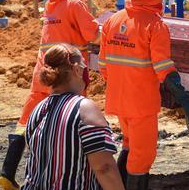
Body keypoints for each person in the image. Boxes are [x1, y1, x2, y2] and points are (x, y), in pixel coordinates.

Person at [0, 0, 99, 190]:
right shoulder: (74, 3)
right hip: (68, 74)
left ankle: (7, 172)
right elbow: (92, 34)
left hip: (43, 71)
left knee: (26, 120)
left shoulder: (51, 3)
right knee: (71, 120)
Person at [99, 0, 189, 190]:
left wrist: (122, 84)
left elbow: (103, 65)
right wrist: (184, 98)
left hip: (119, 100)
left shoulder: (113, 20)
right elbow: (163, 68)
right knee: (142, 156)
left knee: (129, 144)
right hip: (141, 103)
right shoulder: (155, 25)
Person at [22, 44, 123, 190]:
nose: (86, 71)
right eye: (84, 66)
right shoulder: (85, 109)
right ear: (76, 69)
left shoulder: (38, 109)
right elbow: (104, 167)